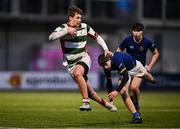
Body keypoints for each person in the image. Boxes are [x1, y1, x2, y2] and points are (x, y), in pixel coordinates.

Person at [49, 6, 117, 112]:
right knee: (91, 92)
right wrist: (67, 30)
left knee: (78, 73)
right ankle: (106, 104)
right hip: (70, 65)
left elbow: (97, 37)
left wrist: (106, 49)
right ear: (70, 18)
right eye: (77, 17)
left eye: (80, 18)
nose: (80, 20)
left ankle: (85, 103)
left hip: (83, 58)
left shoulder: (85, 27)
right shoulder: (63, 27)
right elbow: (51, 37)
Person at [98, 52, 156, 123]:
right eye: (103, 66)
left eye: (106, 64)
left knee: (150, 78)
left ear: (110, 59)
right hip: (126, 72)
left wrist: (116, 91)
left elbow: (125, 77)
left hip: (136, 67)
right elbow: (109, 82)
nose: (105, 67)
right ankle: (136, 116)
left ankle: (152, 79)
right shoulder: (106, 67)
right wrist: (111, 101)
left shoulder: (116, 59)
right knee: (122, 91)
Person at [117, 22, 159, 113]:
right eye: (134, 31)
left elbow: (156, 53)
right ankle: (133, 104)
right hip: (128, 68)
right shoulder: (127, 40)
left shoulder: (147, 42)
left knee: (134, 88)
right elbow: (118, 50)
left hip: (140, 68)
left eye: (138, 31)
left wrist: (150, 66)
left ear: (142, 32)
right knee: (124, 89)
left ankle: (137, 103)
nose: (136, 33)